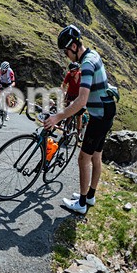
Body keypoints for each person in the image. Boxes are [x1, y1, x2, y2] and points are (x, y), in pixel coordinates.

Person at [44, 25, 116, 214]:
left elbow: (81, 99)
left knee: (83, 158)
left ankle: (81, 204)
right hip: (106, 112)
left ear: (74, 47)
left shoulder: (86, 64)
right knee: (96, 156)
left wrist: (58, 117)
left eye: (66, 51)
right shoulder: (93, 55)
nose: (67, 56)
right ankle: (90, 196)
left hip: (100, 116)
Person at [61, 61, 84, 135]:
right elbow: (63, 85)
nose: (71, 72)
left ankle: (79, 132)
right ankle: (66, 128)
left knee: (79, 115)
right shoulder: (69, 75)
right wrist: (64, 92)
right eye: (70, 71)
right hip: (70, 95)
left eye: (72, 71)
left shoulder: (82, 75)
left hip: (79, 96)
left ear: (77, 70)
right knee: (68, 112)